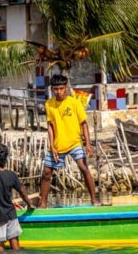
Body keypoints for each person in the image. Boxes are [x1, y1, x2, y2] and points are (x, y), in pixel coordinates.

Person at [39, 74, 100, 208]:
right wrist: (52, 146)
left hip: (75, 143)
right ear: (52, 89)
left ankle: (94, 200)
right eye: (56, 89)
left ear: (66, 87)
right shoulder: (49, 104)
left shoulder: (74, 102)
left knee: (84, 167)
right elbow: (50, 126)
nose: (59, 91)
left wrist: (88, 143)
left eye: (61, 88)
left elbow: (84, 124)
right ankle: (42, 203)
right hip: (57, 144)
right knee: (46, 173)